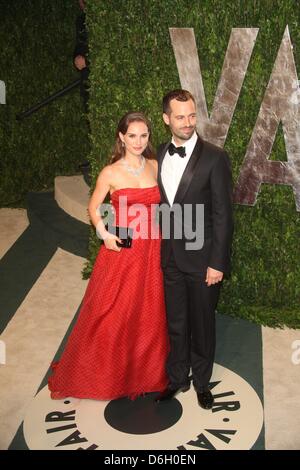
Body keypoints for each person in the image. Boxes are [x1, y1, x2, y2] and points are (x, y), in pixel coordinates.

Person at [48, 111, 169, 400]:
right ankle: (102, 372)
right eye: (132, 136)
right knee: (114, 309)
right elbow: (93, 207)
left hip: (153, 247)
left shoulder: (154, 165)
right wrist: (105, 234)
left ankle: (146, 372)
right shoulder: (110, 172)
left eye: (144, 135)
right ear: (121, 137)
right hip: (123, 248)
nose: (138, 141)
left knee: (149, 309)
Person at [155, 89, 233, 409]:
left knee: (202, 324)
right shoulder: (158, 153)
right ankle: (177, 379)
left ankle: (202, 382)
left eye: (191, 115)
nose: (187, 123)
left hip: (203, 261)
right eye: (180, 117)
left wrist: (217, 262)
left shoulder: (215, 157)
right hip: (171, 257)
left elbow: (223, 215)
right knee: (175, 321)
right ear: (166, 119)